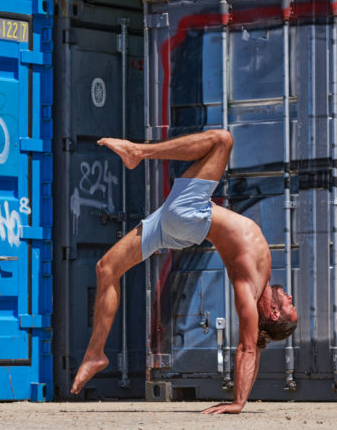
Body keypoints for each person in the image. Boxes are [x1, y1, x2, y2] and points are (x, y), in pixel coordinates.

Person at [70, 130, 298, 414]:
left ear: (275, 313)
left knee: (222, 140)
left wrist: (238, 403)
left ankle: (137, 152)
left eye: (290, 305)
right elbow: (255, 348)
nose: (289, 296)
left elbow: (248, 348)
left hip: (190, 214)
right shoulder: (260, 280)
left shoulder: (249, 289)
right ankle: (95, 353)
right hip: (178, 222)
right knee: (106, 268)